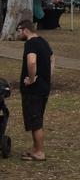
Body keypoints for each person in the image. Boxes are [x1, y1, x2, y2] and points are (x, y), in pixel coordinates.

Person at [17, 19, 53, 162]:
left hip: (34, 90)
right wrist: (48, 77)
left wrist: (32, 79)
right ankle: (36, 148)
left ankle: (39, 152)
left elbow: (31, 61)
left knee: (35, 120)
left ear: (25, 29)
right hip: (44, 88)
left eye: (18, 30)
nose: (18, 33)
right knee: (35, 119)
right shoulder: (43, 42)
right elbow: (52, 59)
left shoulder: (30, 43)